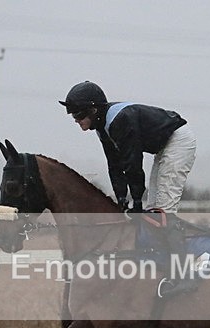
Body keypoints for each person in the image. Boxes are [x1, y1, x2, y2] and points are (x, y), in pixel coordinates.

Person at [59, 81, 198, 297]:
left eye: (78, 115)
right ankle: (160, 263)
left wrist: (136, 203)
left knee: (164, 210)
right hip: (164, 145)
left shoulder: (120, 120)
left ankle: (185, 275)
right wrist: (123, 201)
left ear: (93, 110)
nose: (76, 121)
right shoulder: (102, 126)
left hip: (178, 140)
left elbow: (133, 164)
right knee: (154, 209)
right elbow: (114, 165)